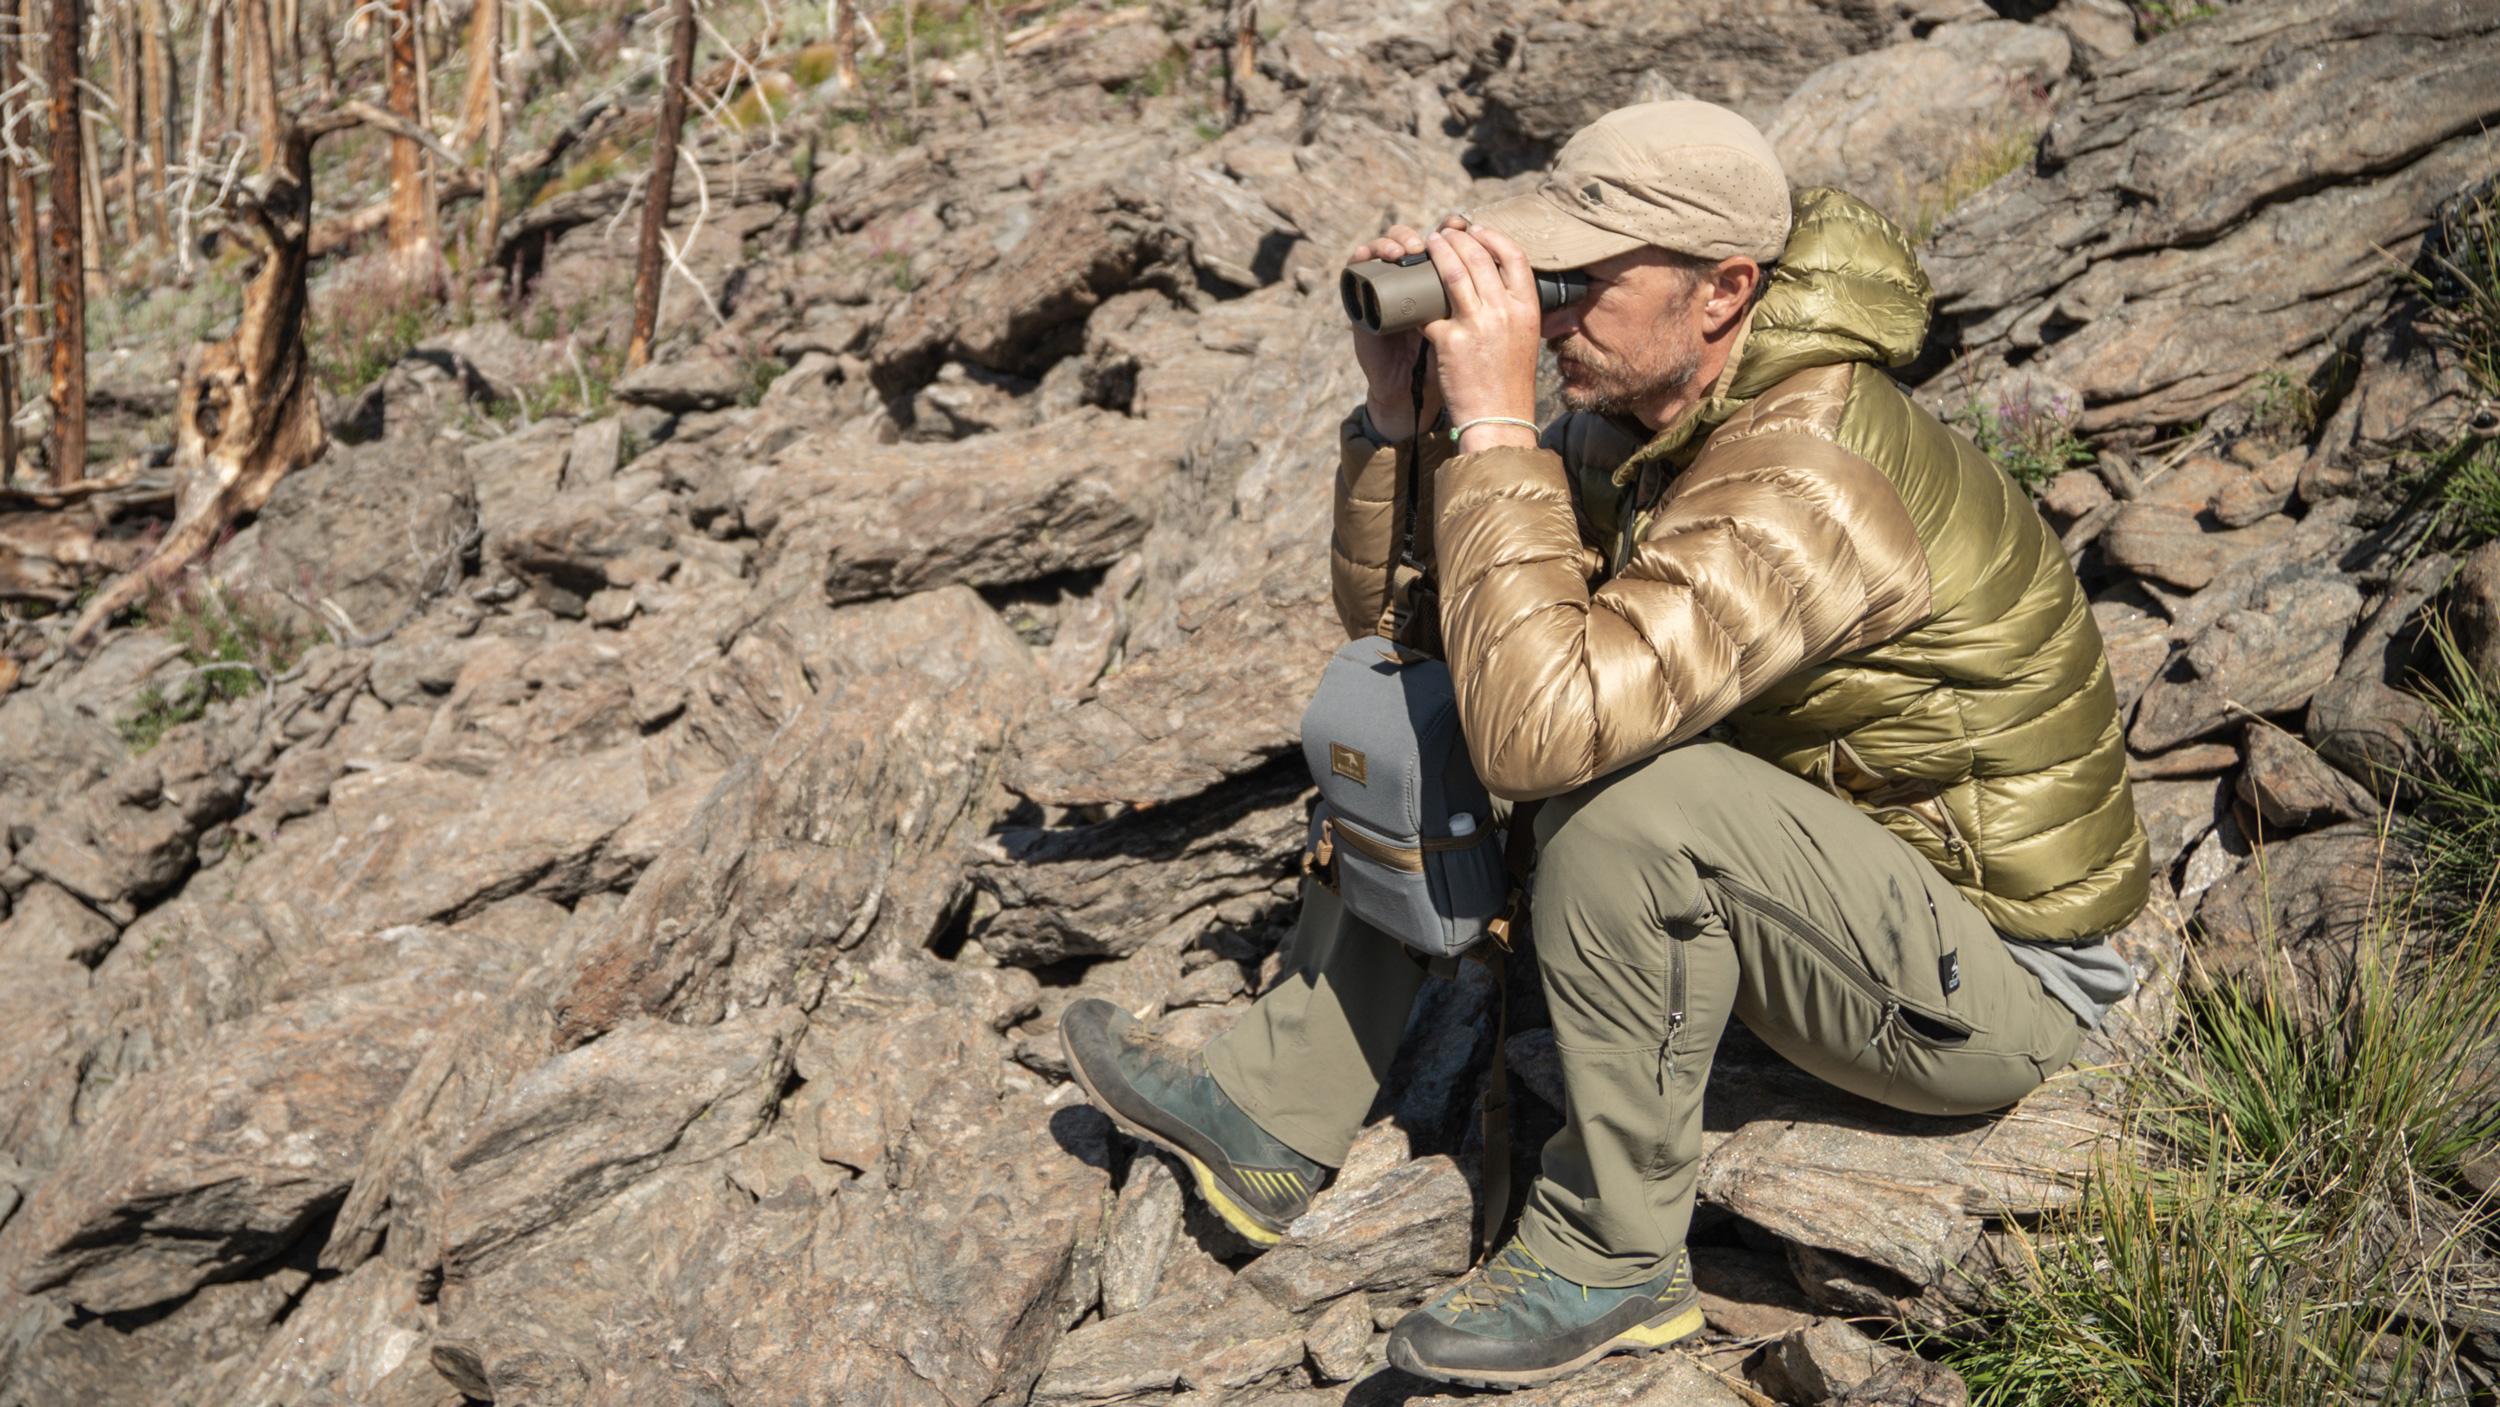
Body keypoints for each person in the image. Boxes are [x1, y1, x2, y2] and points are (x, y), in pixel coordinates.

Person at [1059, 99, 2150, 1391]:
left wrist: (1500, 433)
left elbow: (1543, 737)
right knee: (1416, 697)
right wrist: (1403, 427)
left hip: (1993, 981)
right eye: (1540, 271)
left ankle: (1613, 1259)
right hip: (1835, 881)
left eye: (1581, 281)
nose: (1550, 313)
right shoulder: (1650, 423)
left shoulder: (1811, 478)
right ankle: (1268, 1113)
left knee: (1623, 804)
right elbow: (1415, 632)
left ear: (1724, 291)